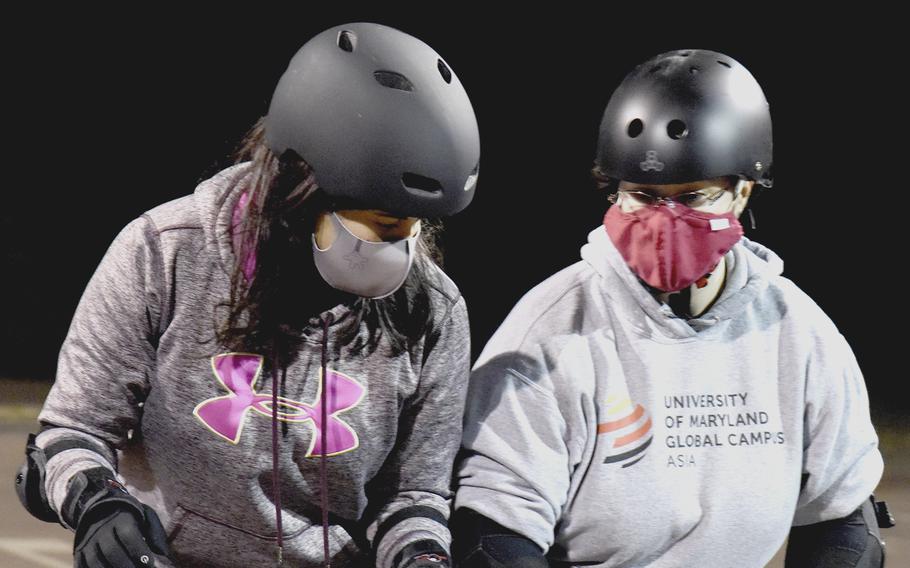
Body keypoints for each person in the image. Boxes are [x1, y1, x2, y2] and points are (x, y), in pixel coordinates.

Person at [15, 22, 480, 568]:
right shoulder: (164, 253)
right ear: (301, 185)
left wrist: (422, 555)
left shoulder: (433, 312)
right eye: (381, 222)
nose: (401, 246)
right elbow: (70, 435)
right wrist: (99, 503)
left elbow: (413, 496)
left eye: (415, 225)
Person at [452, 49, 891, 567]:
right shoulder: (549, 333)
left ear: (743, 191)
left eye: (693, 195)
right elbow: (494, 538)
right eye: (642, 194)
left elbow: (844, 523)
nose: (665, 220)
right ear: (612, 193)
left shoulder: (796, 330)